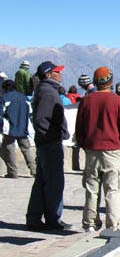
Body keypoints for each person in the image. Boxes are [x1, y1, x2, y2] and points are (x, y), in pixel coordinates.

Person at [75, 67, 120, 232]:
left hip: (92, 149)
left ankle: (90, 223)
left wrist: (84, 144)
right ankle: (113, 224)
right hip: (112, 149)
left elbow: (79, 127)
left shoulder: (86, 101)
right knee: (113, 189)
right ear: (111, 82)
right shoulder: (118, 101)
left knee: (91, 189)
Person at [26, 61, 71, 232]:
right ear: (48, 75)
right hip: (50, 143)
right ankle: (53, 218)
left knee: (42, 181)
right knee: (54, 182)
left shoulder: (47, 90)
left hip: (47, 142)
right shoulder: (47, 92)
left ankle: (35, 218)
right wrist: (52, 136)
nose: (60, 75)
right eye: (57, 72)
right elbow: (41, 120)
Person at [0, 79, 36, 178]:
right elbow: (30, 112)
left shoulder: (5, 98)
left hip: (9, 128)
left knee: (9, 150)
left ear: (4, 88)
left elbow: (1, 113)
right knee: (26, 149)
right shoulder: (24, 98)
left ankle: (13, 171)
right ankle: (33, 168)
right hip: (23, 127)